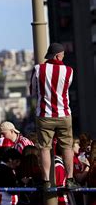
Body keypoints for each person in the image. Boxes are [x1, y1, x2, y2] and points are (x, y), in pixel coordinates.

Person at [30, 43, 77, 189]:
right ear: (58, 55)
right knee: (67, 147)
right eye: (62, 55)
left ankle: (45, 181)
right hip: (64, 114)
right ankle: (69, 179)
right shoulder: (68, 71)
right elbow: (66, 88)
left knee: (44, 148)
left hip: (44, 115)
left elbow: (32, 91)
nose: (63, 57)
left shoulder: (38, 69)